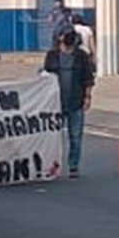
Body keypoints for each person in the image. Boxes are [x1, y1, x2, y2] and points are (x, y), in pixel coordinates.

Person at [44, 28, 95, 179]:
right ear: (60, 38)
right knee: (53, 137)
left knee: (75, 136)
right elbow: (45, 77)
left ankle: (73, 165)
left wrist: (87, 97)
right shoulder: (52, 56)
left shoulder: (81, 56)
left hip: (76, 100)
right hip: (55, 103)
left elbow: (88, 78)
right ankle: (52, 165)